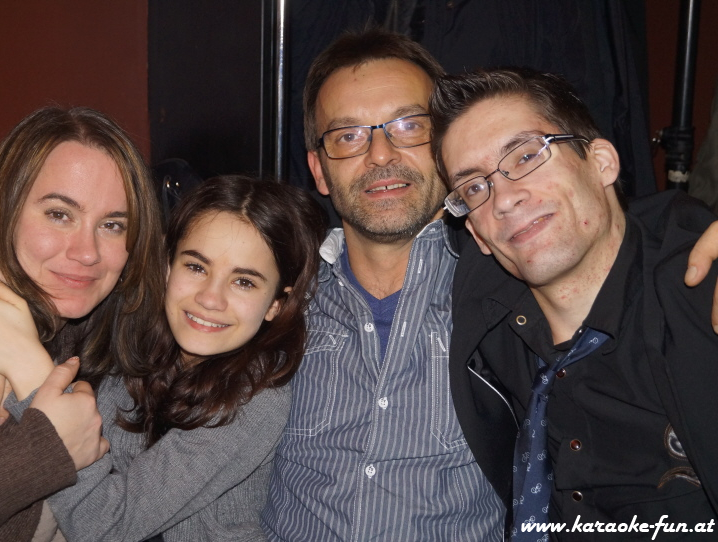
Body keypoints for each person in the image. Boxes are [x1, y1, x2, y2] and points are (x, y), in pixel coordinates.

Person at [0, 176, 327, 541]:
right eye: (196, 266)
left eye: (244, 282)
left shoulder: (258, 399)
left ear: (276, 304)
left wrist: (25, 366)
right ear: (167, 266)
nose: (211, 298)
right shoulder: (132, 321)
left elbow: (105, 527)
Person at [430, 68, 718, 539]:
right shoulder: (486, 314)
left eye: (526, 156)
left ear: (601, 162)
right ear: (477, 234)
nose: (504, 199)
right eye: (475, 188)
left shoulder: (697, 299)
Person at [262, 28, 507, 541]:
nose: (379, 154)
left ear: (446, 148)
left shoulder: (510, 297)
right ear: (319, 171)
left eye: (408, 126)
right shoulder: (271, 305)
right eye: (348, 135)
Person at [0, 105, 163, 541]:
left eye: (111, 225)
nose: (87, 252)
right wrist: (49, 445)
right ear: (5, 207)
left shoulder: (118, 313)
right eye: (59, 214)